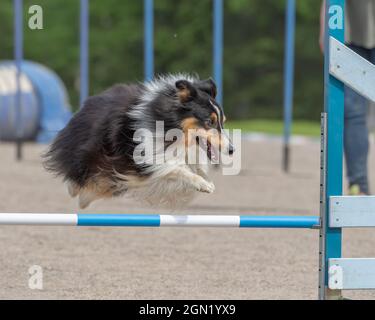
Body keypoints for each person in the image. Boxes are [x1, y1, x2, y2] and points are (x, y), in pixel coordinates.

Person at [320, 0, 375, 195]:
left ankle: (358, 184)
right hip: (351, 29)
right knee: (352, 110)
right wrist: (325, 28)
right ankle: (359, 185)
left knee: (354, 112)